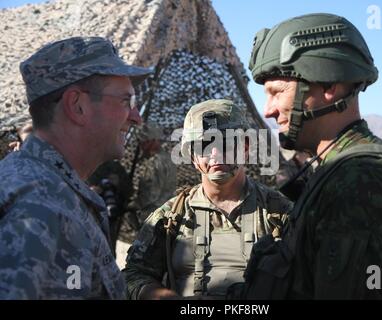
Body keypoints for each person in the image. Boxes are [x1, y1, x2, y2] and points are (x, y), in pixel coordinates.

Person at [242, 13, 382, 299]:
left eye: (277, 92)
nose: (268, 110)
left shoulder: (366, 183)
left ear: (329, 86)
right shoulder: (332, 174)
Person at [0, 36, 151, 299]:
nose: (136, 117)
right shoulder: (39, 205)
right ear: (77, 106)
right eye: (126, 101)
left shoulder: (54, 191)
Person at [123, 99, 293, 299]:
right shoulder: (171, 216)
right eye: (204, 145)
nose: (214, 154)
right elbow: (133, 276)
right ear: (193, 157)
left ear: (245, 147)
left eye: (225, 143)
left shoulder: (278, 212)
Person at [129, 122, 177, 225]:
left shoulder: (155, 162)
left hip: (151, 216)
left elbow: (151, 195)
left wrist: (132, 205)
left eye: (144, 142)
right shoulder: (166, 158)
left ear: (153, 141)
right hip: (163, 213)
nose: (141, 146)